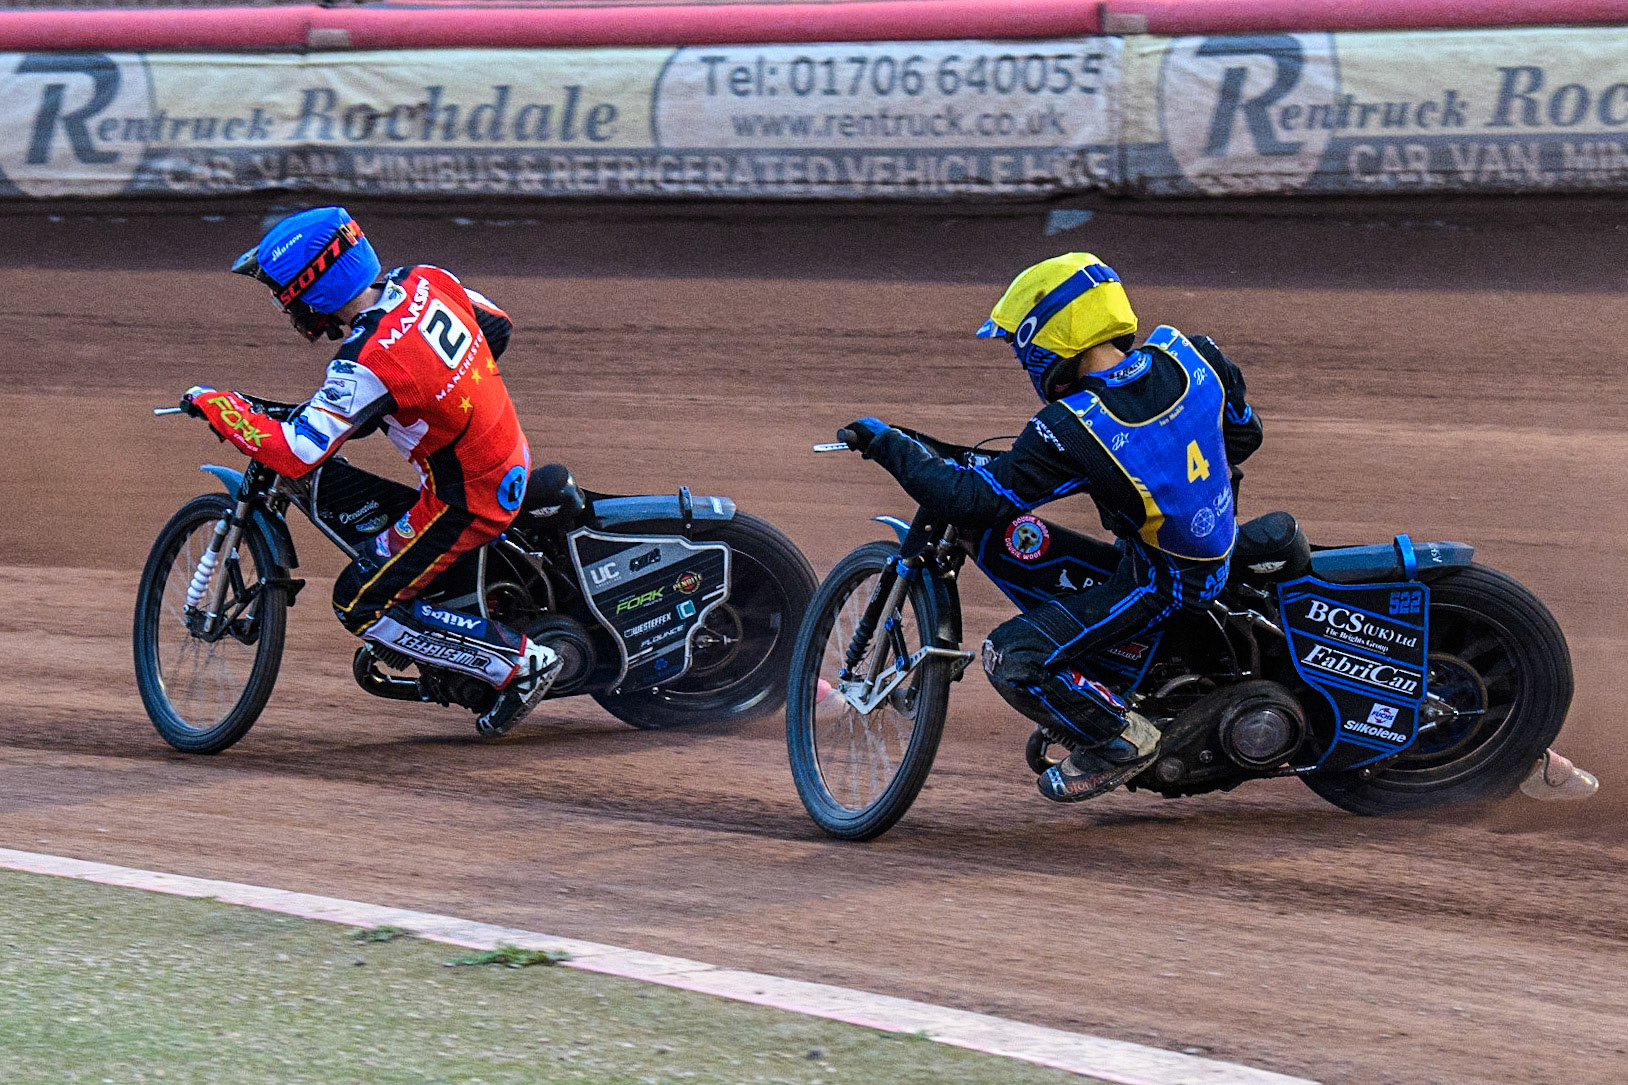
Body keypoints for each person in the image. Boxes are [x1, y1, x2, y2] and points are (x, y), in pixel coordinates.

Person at [839, 252, 1263, 803]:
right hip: (1213, 545)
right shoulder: (1191, 353)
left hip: (1163, 582)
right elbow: (1245, 437)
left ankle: (1122, 740)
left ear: (1050, 336)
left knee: (1013, 656)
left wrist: (888, 443)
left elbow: (969, 501)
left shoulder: (1071, 426)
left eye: (1023, 348)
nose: (1024, 361)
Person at [180, 205, 559, 736]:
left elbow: (295, 454)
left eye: (280, 292)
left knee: (358, 600)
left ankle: (516, 664)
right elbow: (496, 326)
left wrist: (220, 407)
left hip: (467, 496)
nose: (280, 305)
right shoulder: (424, 280)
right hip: (505, 452)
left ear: (311, 290)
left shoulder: (365, 362)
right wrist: (438, 396)